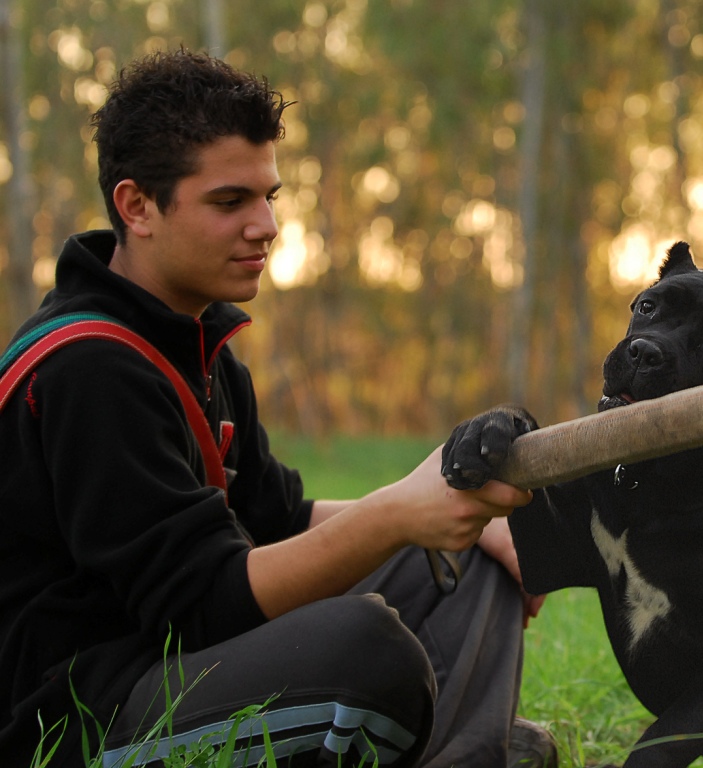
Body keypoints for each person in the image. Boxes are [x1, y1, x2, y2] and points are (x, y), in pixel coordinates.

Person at [0, 50, 553, 768]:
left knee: (456, 559)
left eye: (270, 197)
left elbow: (279, 520)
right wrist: (393, 515)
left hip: (182, 665)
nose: (265, 226)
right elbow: (208, 603)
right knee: (365, 647)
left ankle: (469, 755)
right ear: (137, 206)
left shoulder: (199, 346)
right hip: (85, 718)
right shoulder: (87, 368)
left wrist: (448, 515)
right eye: (230, 202)